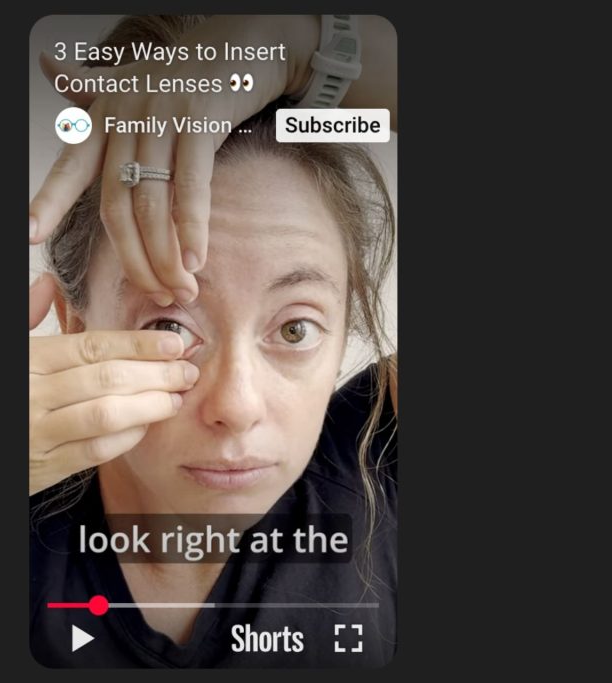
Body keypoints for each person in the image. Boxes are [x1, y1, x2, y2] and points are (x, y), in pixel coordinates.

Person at [28, 15, 397, 668]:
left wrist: (298, 48)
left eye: (295, 329)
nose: (237, 405)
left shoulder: (378, 460)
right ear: (74, 323)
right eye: (170, 326)